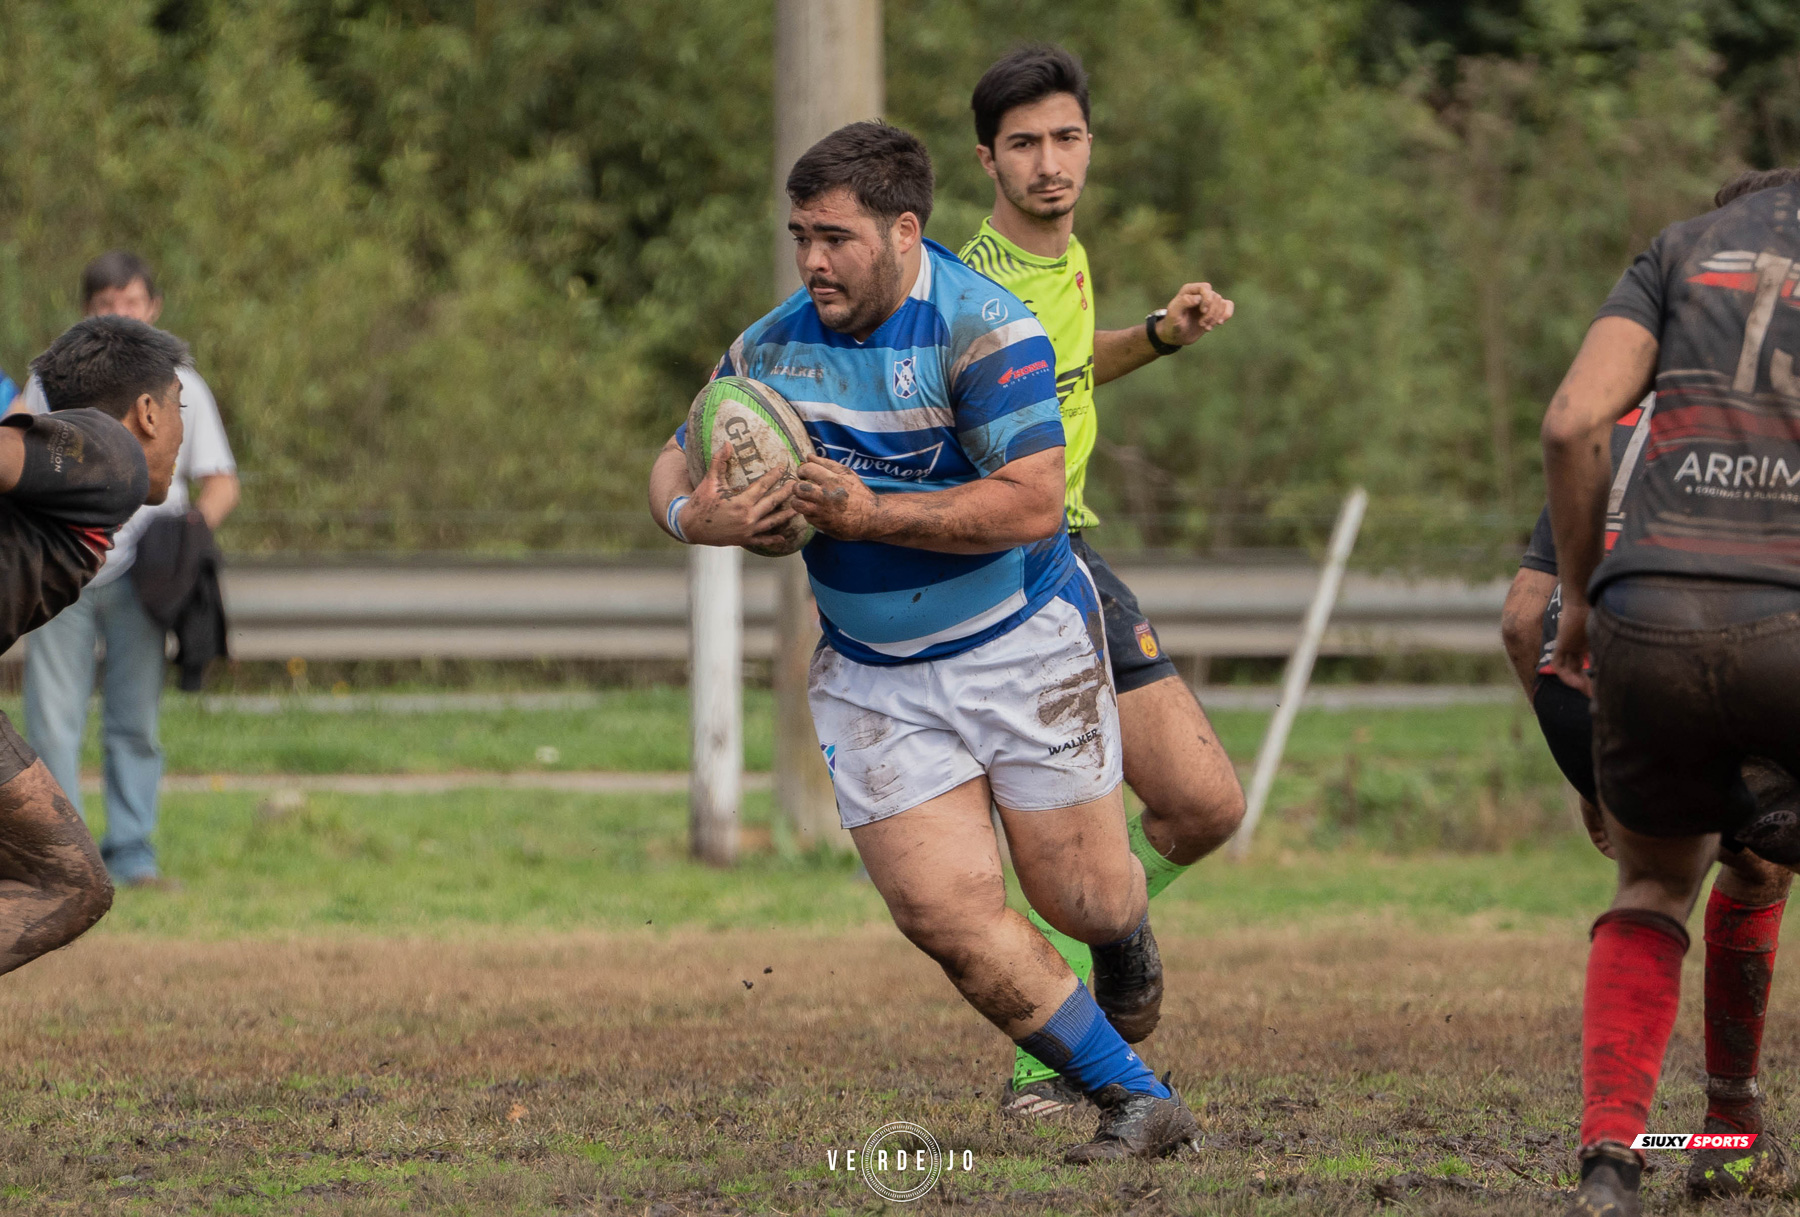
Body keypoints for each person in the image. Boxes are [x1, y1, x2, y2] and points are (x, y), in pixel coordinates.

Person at [647, 121, 1197, 1161]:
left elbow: (1035, 502)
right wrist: (697, 518)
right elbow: (675, 460)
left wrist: (871, 515)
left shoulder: (988, 332)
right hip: (873, 673)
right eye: (801, 234)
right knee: (944, 913)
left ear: (905, 232)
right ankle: (1138, 1096)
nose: (813, 259)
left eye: (837, 238)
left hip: (1021, 644)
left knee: (1080, 895)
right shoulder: (770, 347)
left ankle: (1122, 929)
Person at [956, 44, 1246, 1115]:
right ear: (987, 159)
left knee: (1206, 804)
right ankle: (1054, 1059)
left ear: (1089, 146)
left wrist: (1161, 337)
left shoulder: (1066, 264)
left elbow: (1072, 369)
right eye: (1024, 144)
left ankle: (1116, 927)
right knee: (1065, 857)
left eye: (1065, 138)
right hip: (1008, 574)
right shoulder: (971, 289)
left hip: (1075, 550)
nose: (1049, 163)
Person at [1542, 165, 1800, 1213]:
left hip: (1644, 612)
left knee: (1653, 889)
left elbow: (1570, 425)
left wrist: (1577, 599)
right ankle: (1729, 1123)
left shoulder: (1678, 249)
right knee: (1757, 869)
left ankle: (1613, 1157)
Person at [13, 252, 239, 886]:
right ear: (88, 312)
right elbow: (15, 455)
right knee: (53, 716)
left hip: (145, 576)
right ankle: (65, 855)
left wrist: (188, 536)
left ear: (153, 306)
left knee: (134, 717)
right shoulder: (54, 385)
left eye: (130, 301)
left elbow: (218, 481)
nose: (119, 312)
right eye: (105, 302)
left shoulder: (181, 387)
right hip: (61, 571)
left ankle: (133, 849)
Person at [0, 314, 186, 973]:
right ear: (148, 411)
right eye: (179, 404)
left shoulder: (89, 470)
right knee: (70, 884)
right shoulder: (116, 455)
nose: (181, 426)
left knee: (69, 880)